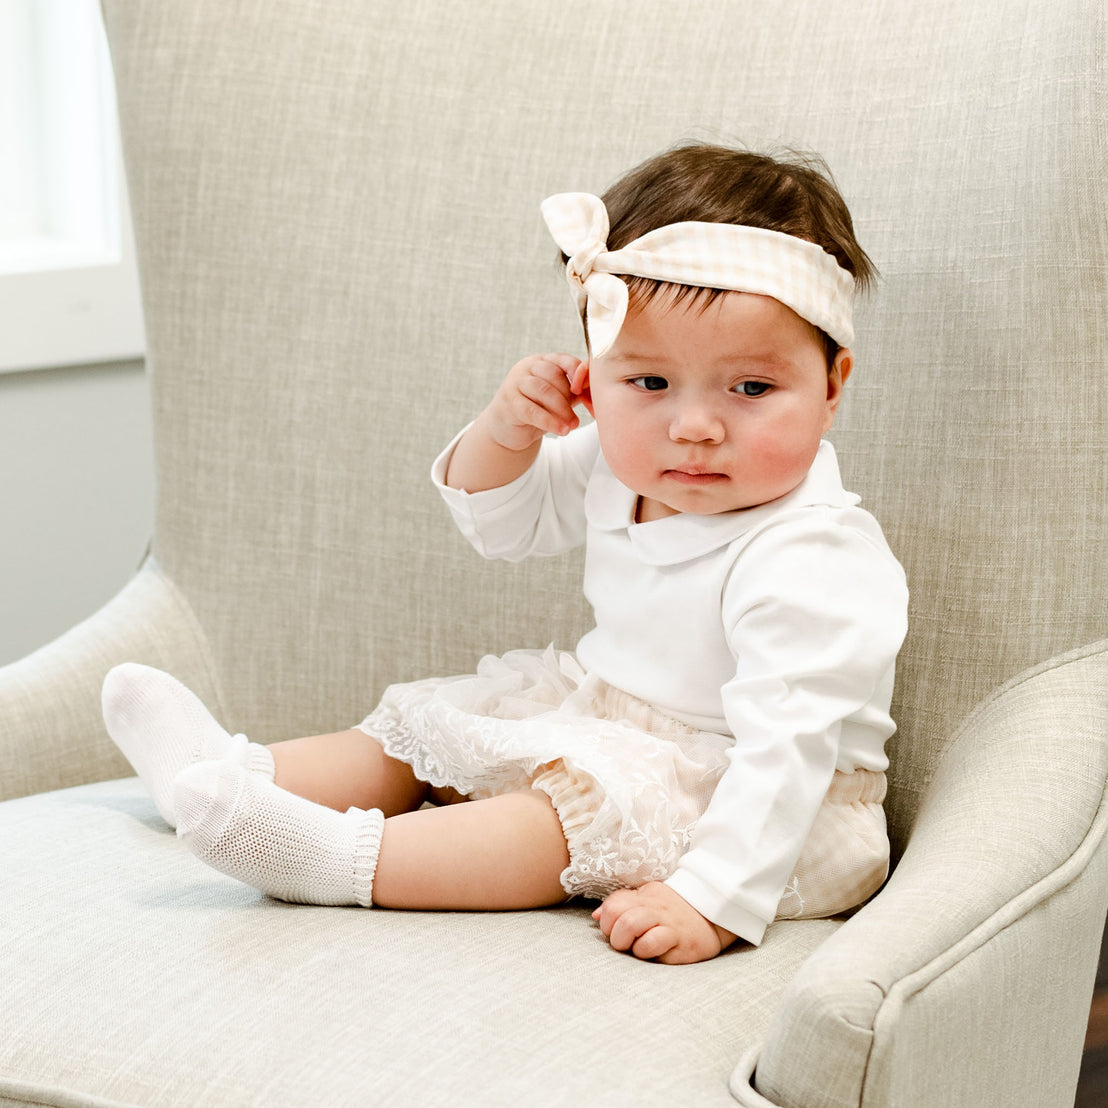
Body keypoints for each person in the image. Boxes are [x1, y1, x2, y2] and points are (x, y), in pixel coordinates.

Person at [102, 143, 909, 966]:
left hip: (762, 810)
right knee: (431, 727)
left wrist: (711, 900)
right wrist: (508, 433)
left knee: (552, 819)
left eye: (750, 389)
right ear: (598, 375)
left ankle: (332, 860)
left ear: (832, 385)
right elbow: (503, 523)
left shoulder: (812, 555)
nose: (694, 426)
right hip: (615, 722)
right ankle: (226, 775)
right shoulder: (617, 459)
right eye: (650, 384)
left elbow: (788, 752)